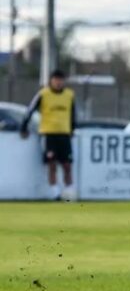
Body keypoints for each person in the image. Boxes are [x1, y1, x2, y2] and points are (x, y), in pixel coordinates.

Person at [20, 69, 76, 200]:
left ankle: (69, 193)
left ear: (64, 81)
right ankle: (56, 194)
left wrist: (72, 129)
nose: (58, 83)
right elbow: (30, 110)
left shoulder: (69, 95)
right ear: (51, 81)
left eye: (61, 80)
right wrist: (24, 127)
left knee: (67, 165)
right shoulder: (43, 94)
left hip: (64, 134)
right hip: (48, 134)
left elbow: (73, 114)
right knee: (52, 165)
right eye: (56, 80)